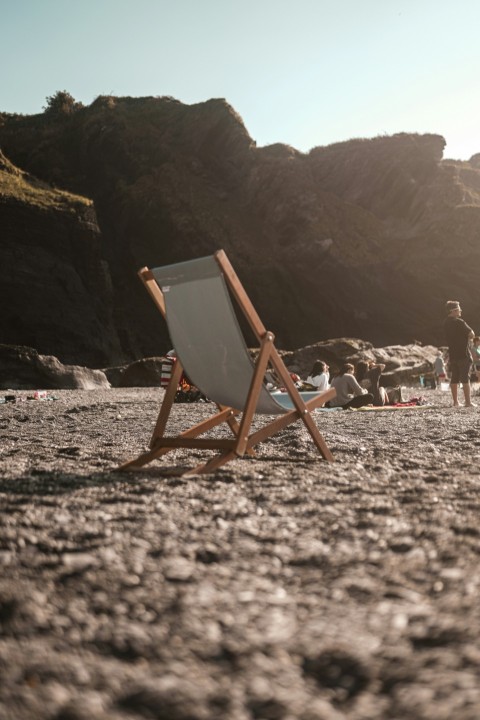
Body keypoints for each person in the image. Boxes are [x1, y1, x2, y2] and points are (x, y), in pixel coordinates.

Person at [444, 300, 475, 407]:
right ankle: (468, 402)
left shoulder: (445, 323)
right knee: (465, 377)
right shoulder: (460, 322)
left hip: (453, 355)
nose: (460, 310)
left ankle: (456, 402)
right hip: (463, 354)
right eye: (458, 309)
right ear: (453, 311)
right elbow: (471, 334)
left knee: (454, 378)